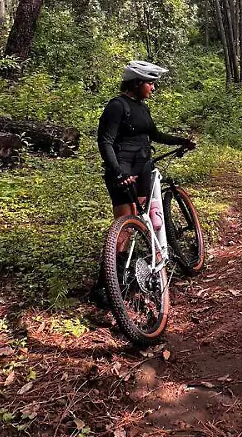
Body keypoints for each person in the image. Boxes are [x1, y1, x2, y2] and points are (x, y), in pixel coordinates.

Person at [90, 61, 195, 306]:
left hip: (143, 168)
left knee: (142, 219)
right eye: (150, 83)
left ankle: (144, 271)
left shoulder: (142, 108)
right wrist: (117, 172)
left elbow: (155, 135)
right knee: (125, 225)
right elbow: (105, 141)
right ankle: (105, 285)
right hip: (124, 170)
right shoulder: (117, 106)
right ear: (136, 83)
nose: (153, 88)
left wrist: (181, 141)